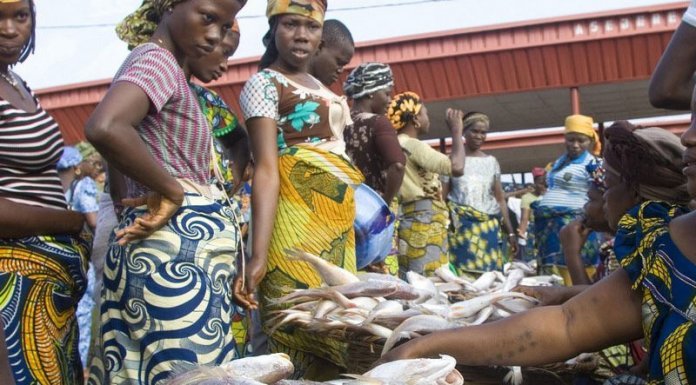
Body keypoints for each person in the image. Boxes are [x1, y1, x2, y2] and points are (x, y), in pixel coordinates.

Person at [379, 121, 695, 384]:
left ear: (635, 192)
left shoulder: (654, 244)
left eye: (607, 186)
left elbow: (568, 323)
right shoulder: (661, 252)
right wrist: (422, 346)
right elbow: (568, 324)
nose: (689, 136)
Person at [84, 0, 245, 384]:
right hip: (171, 270)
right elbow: (106, 127)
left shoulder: (171, 73)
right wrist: (172, 191)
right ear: (172, 5)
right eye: (208, 17)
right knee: (189, 376)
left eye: (224, 27)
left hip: (181, 267)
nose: (214, 35)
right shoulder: (156, 62)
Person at [237, 0, 363, 379]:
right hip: (294, 224)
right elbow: (266, 169)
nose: (302, 35)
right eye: (291, 24)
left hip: (337, 228)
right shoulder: (265, 83)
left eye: (310, 27)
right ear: (274, 28)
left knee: (338, 324)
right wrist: (258, 254)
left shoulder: (323, 87)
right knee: (297, 325)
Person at [0, 1, 89, 384]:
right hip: (12, 282)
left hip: (47, 288)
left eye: (20, 16)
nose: (9, 29)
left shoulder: (17, 83)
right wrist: (70, 220)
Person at [187, 18, 252, 359]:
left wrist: (231, 179)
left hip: (221, 243)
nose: (225, 64)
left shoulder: (208, 101)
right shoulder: (149, 89)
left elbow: (240, 140)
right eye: (221, 52)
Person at [387, 92, 465, 277]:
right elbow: (457, 167)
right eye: (425, 114)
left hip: (409, 218)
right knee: (430, 278)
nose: (428, 119)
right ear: (415, 119)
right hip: (426, 221)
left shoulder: (393, 144)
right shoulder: (413, 145)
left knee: (412, 276)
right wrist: (456, 131)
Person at [343, 63, 405, 275]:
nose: (389, 100)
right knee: (382, 277)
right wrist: (384, 207)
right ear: (369, 93)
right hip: (373, 211)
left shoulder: (338, 123)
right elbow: (397, 165)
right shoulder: (379, 123)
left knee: (352, 275)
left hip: (344, 210)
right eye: (386, 93)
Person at [532, 114, 602, 284]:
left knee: (572, 265)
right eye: (571, 140)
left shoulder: (593, 165)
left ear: (590, 140)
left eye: (581, 140)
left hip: (573, 224)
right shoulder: (558, 163)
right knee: (551, 273)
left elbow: (599, 195)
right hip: (549, 229)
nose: (575, 145)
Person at [445, 112, 517, 274]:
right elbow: (442, 198)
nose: (479, 136)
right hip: (461, 229)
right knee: (462, 276)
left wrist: (511, 231)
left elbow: (500, 199)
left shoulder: (491, 162)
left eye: (483, 132)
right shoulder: (452, 162)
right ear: (464, 132)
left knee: (489, 277)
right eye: (474, 131)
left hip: (488, 229)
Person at [308, 19, 354, 87]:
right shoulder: (289, 84)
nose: (340, 71)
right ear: (319, 46)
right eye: (339, 63)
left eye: (343, 66)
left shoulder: (323, 94)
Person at [517, 167, 546, 261]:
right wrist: (521, 235)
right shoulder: (527, 197)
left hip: (549, 228)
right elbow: (524, 218)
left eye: (545, 184)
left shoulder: (552, 195)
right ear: (535, 183)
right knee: (532, 261)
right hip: (534, 231)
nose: (543, 186)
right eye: (540, 183)